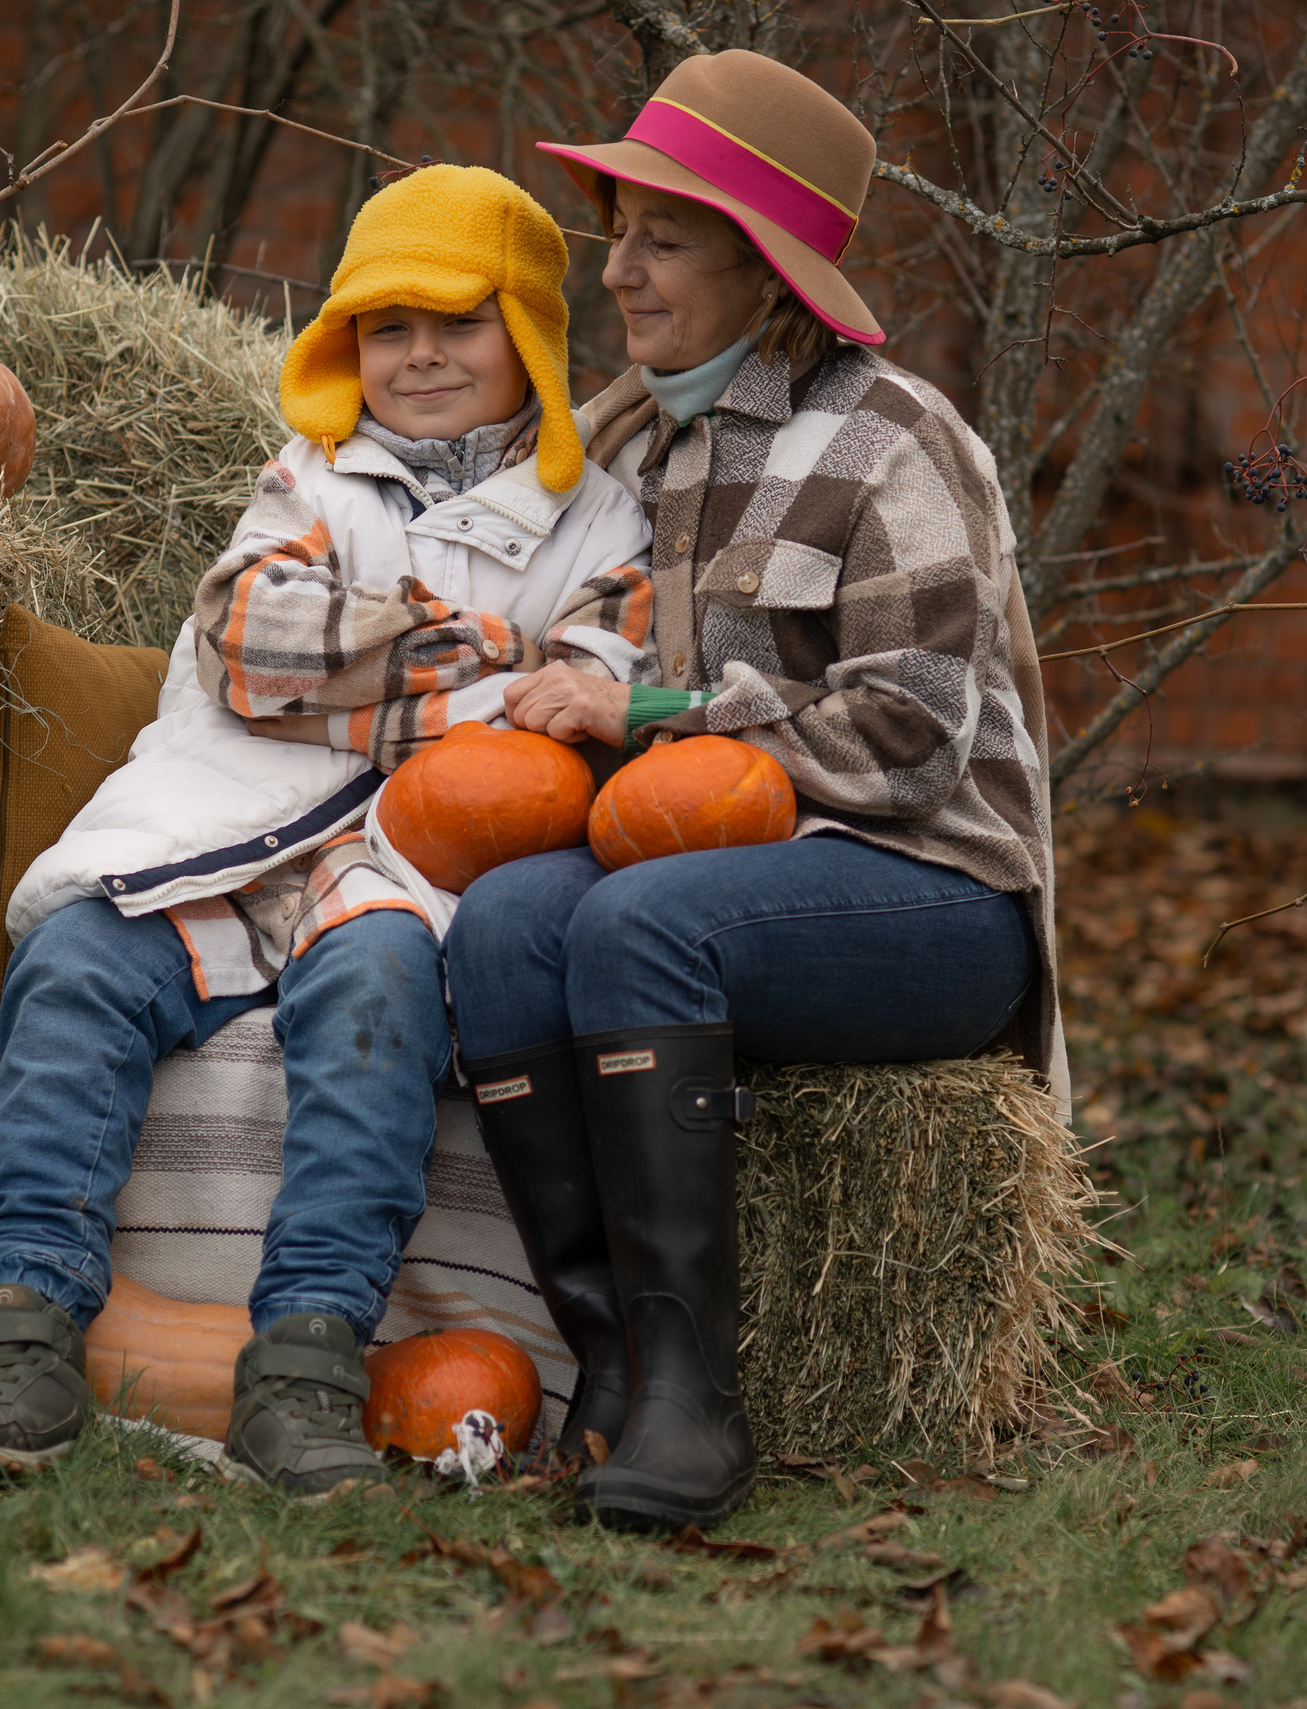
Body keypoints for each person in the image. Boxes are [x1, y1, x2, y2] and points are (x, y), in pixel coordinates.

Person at [0, 165, 653, 1491]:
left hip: (392, 861)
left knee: (379, 996)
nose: (419, 356)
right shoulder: (316, 477)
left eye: (458, 323)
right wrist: (473, 647)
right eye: (386, 326)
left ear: (528, 333)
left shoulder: (596, 518)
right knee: (76, 956)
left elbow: (562, 726)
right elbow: (248, 639)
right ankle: (18, 1328)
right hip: (218, 821)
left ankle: (305, 1363)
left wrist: (392, 679)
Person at [443, 51, 1067, 1532]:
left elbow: (912, 732)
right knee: (509, 928)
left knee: (636, 928)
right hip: (709, 866)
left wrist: (656, 707)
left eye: (661, 235)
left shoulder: (894, 440)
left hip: (930, 893)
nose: (621, 270)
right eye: (619, 230)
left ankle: (693, 1394)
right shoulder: (622, 439)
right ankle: (603, 1362)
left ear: (760, 266)